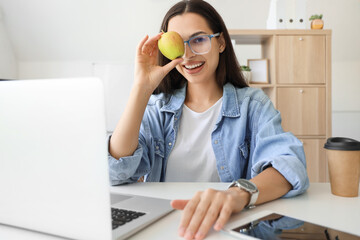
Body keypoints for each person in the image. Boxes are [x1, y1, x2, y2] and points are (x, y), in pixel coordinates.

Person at [108, 0, 309, 239]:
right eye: (178, 44)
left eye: (199, 39)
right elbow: (116, 172)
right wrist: (141, 88)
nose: (188, 55)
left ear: (221, 42)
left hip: (227, 228)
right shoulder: (157, 108)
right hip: (167, 230)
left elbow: (288, 164)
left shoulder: (252, 105)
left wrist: (238, 194)